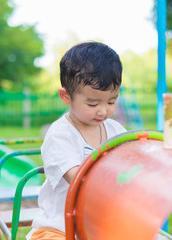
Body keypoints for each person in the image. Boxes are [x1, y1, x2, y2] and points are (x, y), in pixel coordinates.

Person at [27, 41, 127, 239]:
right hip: (60, 228)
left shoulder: (116, 130)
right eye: (92, 103)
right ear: (66, 96)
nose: (103, 110)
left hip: (102, 228)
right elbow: (80, 180)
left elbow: (135, 162)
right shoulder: (60, 135)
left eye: (111, 101)